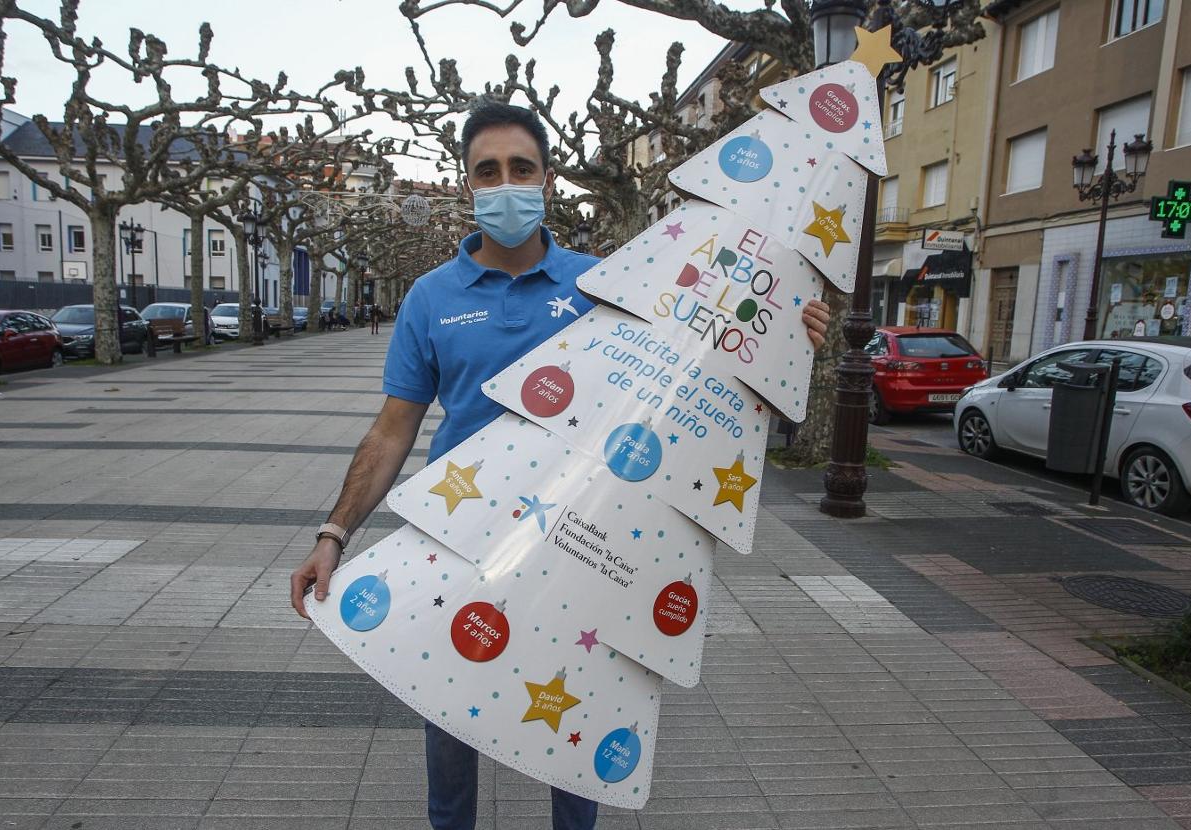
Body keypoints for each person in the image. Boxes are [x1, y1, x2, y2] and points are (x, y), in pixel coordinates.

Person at [290, 102, 831, 830]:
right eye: (488, 171)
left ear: (547, 177)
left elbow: (702, 352)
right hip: (462, 543)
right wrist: (334, 532)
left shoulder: (609, 283)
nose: (505, 183)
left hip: (581, 546)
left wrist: (789, 334)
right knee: (447, 717)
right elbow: (392, 431)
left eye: (521, 168)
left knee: (574, 722)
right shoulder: (430, 298)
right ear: (467, 186)